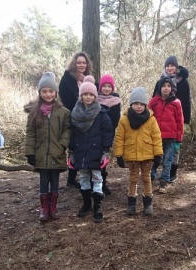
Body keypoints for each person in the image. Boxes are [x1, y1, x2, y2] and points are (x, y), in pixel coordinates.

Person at [24, 72, 71, 222]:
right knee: (44, 180)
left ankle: (53, 207)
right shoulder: (34, 112)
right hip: (41, 153)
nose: (48, 94)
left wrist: (63, 145)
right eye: (44, 91)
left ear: (55, 92)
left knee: (55, 179)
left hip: (57, 152)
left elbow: (67, 130)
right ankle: (44, 208)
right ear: (39, 93)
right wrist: (30, 152)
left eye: (51, 91)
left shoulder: (63, 112)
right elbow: (30, 133)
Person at [69, 81, 114, 223]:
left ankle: (97, 207)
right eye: (85, 94)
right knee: (83, 178)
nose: (88, 97)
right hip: (80, 152)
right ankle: (86, 204)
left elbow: (108, 133)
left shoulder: (102, 114)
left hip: (96, 153)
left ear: (95, 96)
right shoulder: (74, 114)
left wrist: (106, 152)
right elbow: (71, 134)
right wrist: (71, 152)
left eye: (91, 94)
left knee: (97, 179)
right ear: (81, 96)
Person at [114, 87, 163, 216]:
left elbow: (157, 137)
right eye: (136, 104)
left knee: (147, 179)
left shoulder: (151, 119)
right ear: (131, 104)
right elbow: (119, 138)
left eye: (142, 104)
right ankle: (131, 204)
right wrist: (119, 155)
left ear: (145, 105)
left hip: (147, 154)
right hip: (131, 155)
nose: (139, 107)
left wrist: (158, 154)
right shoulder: (124, 119)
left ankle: (148, 204)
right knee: (133, 179)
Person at [152, 55, 191, 182]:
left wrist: (185, 119)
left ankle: (172, 173)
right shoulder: (160, 80)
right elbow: (154, 98)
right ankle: (158, 173)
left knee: (174, 149)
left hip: (176, 118)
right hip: (161, 119)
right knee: (159, 148)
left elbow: (186, 101)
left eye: (172, 66)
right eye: (168, 66)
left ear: (176, 67)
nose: (170, 68)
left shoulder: (183, 81)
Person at [59, 52, 94, 189]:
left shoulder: (88, 79)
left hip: (87, 117)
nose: (81, 65)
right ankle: (71, 178)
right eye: (79, 62)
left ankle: (88, 176)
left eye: (84, 63)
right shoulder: (68, 78)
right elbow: (69, 98)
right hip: (72, 117)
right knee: (73, 148)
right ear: (74, 63)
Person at [148, 77, 184, 194]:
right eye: (164, 86)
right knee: (154, 159)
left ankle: (164, 181)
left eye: (168, 86)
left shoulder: (176, 103)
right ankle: (150, 179)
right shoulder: (153, 101)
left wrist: (179, 139)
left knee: (167, 160)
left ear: (172, 88)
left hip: (171, 136)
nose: (166, 88)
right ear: (160, 87)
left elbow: (180, 121)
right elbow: (147, 118)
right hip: (155, 136)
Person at [95, 74, 121, 195]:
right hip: (95, 134)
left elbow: (115, 120)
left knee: (103, 159)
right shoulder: (95, 99)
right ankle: (94, 183)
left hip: (108, 134)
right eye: (104, 86)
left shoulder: (115, 101)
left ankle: (103, 183)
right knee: (94, 158)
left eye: (108, 86)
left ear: (112, 88)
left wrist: (108, 130)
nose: (106, 89)